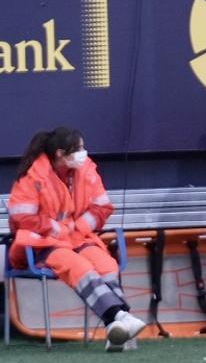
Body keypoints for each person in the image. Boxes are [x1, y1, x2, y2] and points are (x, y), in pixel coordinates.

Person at [7, 127, 146, 351]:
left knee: (107, 265)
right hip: (42, 244)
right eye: (79, 148)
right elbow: (22, 217)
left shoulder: (86, 169)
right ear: (61, 154)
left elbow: (102, 208)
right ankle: (120, 316)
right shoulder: (34, 175)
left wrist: (77, 228)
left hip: (77, 238)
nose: (84, 152)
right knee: (79, 266)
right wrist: (58, 229)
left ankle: (116, 330)